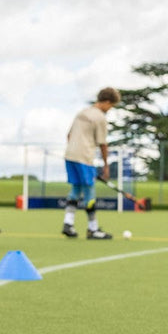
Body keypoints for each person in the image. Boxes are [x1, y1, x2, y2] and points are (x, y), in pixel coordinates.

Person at [62, 87, 121, 240]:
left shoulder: (82, 113)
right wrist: (106, 165)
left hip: (70, 155)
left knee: (76, 188)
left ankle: (68, 224)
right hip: (84, 157)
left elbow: (69, 135)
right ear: (107, 102)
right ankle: (93, 229)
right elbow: (103, 144)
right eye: (111, 106)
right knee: (89, 191)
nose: (110, 109)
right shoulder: (100, 117)